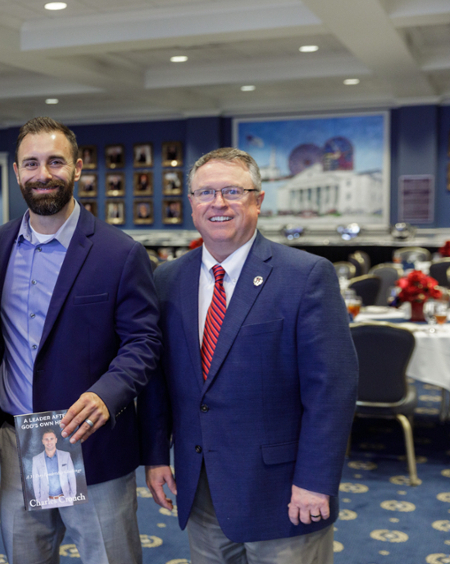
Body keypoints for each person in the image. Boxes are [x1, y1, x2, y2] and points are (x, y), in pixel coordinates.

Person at [138, 147, 358, 564]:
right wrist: (154, 455)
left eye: (231, 191)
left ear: (258, 200)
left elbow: (332, 391)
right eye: (205, 193)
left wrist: (315, 481)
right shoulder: (167, 278)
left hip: (283, 493)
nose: (217, 203)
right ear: (190, 203)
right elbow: (157, 380)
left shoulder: (306, 276)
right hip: (201, 488)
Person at [0, 117, 161, 564]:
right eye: (31, 163)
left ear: (78, 168)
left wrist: (108, 395)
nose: (42, 174)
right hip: (18, 442)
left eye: (55, 161)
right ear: (16, 171)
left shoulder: (120, 252)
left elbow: (143, 342)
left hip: (92, 440)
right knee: (26, 556)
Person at [31, 430, 76, 508]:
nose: (49, 442)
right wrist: (39, 500)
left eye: (51, 439)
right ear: (42, 441)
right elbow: (36, 480)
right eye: (46, 439)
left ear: (56, 440)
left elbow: (71, 476)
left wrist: (72, 496)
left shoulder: (66, 455)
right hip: (46, 501)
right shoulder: (36, 459)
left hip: (65, 499)